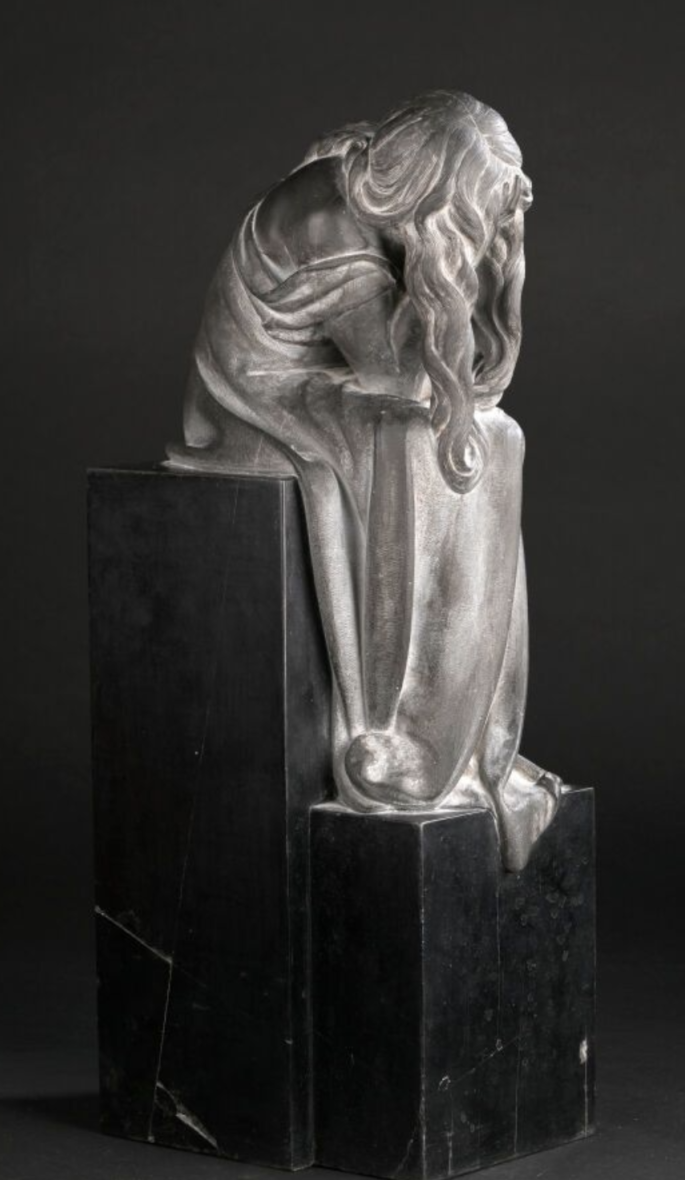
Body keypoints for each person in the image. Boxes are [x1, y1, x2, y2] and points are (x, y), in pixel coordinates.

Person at [167, 90, 560, 871]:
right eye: (473, 218)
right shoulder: (330, 222)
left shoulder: (378, 196)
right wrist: (448, 285)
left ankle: (476, 741)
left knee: (492, 439)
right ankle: (410, 733)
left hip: (329, 381)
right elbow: (397, 375)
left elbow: (437, 376)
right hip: (251, 395)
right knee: (428, 442)